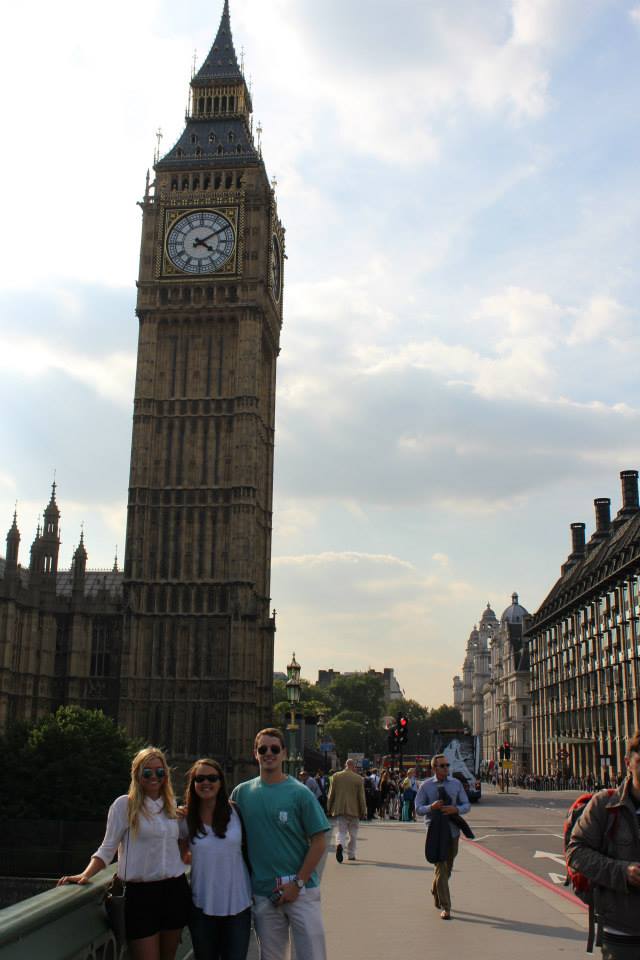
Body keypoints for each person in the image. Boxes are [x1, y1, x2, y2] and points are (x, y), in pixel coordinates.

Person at [58, 746, 190, 960]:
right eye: (147, 772)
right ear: (137, 774)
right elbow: (107, 847)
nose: (154, 777)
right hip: (140, 895)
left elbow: (188, 838)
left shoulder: (171, 806)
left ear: (166, 775)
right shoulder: (124, 805)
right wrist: (85, 874)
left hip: (174, 890)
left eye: (160, 772)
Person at [231, 727, 330, 960]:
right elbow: (221, 829)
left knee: (311, 956)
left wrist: (297, 883)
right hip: (265, 893)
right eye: (262, 749)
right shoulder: (241, 793)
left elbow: (319, 841)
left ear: (284, 753)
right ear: (255, 753)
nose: (269, 753)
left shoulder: (299, 793)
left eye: (274, 749)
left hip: (301, 890)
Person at [567, 731, 640, 959]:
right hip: (622, 932)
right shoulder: (604, 805)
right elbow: (575, 852)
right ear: (628, 763)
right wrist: (623, 871)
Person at [181, 758, 252, 960]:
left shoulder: (237, 812)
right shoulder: (186, 818)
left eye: (212, 778)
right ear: (193, 783)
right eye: (200, 778)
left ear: (221, 781)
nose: (206, 783)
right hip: (202, 905)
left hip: (238, 904)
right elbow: (179, 856)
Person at [414, 753, 470, 920]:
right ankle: (446, 907)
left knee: (447, 868)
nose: (446, 768)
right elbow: (418, 808)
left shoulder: (456, 784)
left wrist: (456, 809)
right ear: (434, 768)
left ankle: (436, 888)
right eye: (442, 766)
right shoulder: (426, 786)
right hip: (435, 832)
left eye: (447, 765)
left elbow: (466, 804)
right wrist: (431, 807)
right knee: (441, 867)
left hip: (452, 831)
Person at [326, 759, 367, 861]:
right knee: (353, 834)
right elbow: (361, 797)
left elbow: (331, 794)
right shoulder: (359, 779)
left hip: (340, 809)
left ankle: (340, 844)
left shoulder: (336, 776)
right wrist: (364, 811)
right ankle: (351, 854)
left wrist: (329, 807)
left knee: (341, 831)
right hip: (354, 810)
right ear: (353, 766)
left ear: (345, 765)